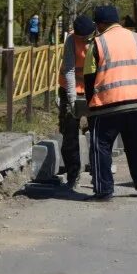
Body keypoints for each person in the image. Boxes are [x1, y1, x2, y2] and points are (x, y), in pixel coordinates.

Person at [82, 5, 137, 201]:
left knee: (101, 147)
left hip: (108, 105)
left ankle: (104, 191)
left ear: (101, 24)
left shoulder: (97, 43)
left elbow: (89, 78)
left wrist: (91, 105)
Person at [58, 15, 95, 188]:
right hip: (70, 91)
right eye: (81, 37)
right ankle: (73, 175)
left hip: (93, 93)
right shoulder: (72, 40)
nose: (83, 40)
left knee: (98, 134)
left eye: (85, 37)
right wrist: (72, 100)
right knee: (69, 136)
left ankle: (98, 174)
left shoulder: (100, 39)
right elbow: (69, 69)